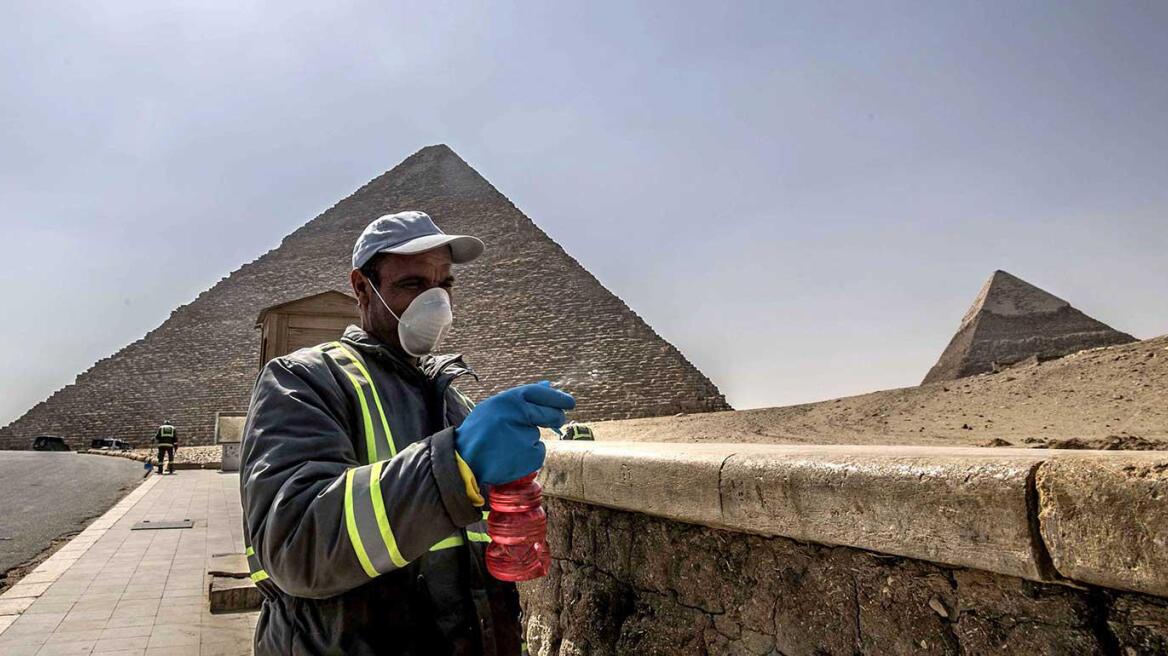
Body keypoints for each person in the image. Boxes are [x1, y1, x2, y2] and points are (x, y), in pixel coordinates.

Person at [240, 210, 574, 655]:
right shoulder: (303, 381)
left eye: (445, 285)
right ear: (362, 287)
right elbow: (296, 543)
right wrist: (455, 465)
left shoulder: (453, 399)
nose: (435, 302)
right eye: (413, 284)